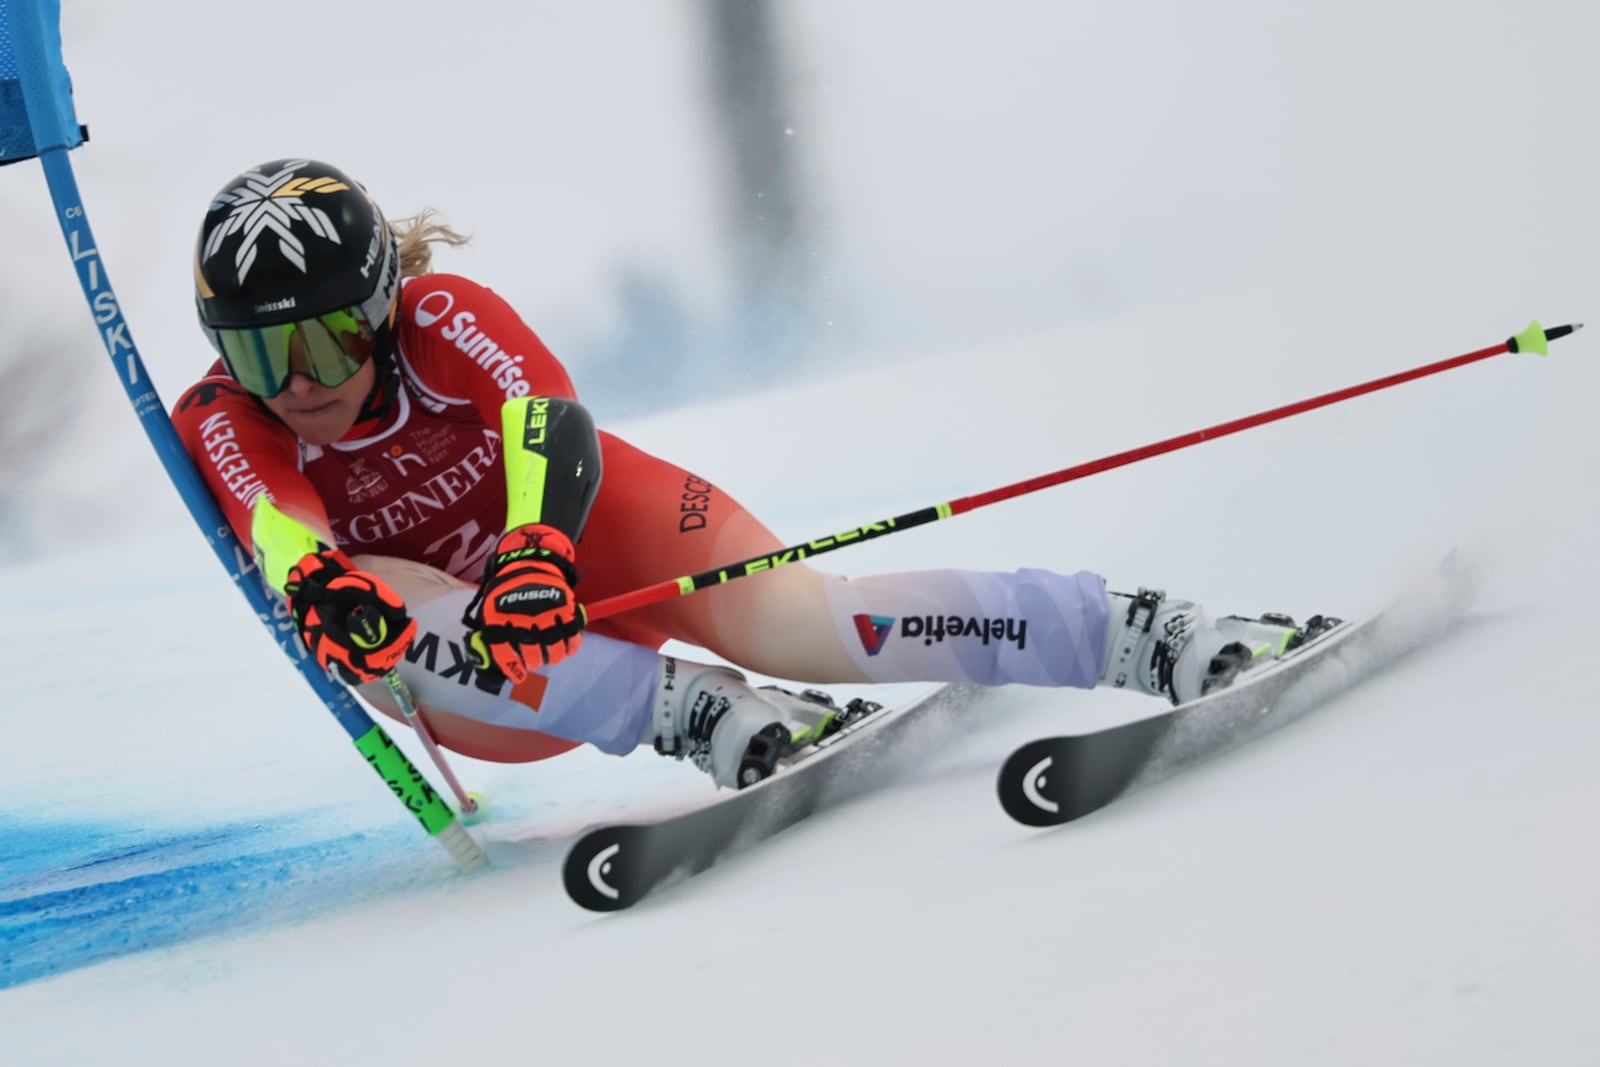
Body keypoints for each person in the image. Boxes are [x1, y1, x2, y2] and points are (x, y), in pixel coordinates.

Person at [175, 158, 1317, 791]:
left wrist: (535, 547)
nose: (296, 378)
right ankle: (698, 713)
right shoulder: (228, 417)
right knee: (356, 601)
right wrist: (321, 583)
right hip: (498, 678)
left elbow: (547, 416)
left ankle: (1137, 630)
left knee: (799, 619)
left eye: (324, 339)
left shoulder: (438, 317)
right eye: (257, 348)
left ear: (377, 308)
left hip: (582, 536)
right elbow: (277, 520)